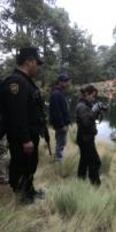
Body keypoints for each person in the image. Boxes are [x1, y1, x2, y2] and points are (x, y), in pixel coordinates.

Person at [0, 47, 46, 203]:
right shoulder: (16, 82)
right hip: (21, 137)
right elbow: (17, 114)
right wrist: (26, 139)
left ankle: (30, 191)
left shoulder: (25, 81)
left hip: (29, 133)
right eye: (36, 63)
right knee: (21, 166)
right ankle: (22, 196)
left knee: (30, 165)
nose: (37, 67)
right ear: (29, 61)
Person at [75, 85, 103, 186]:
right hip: (85, 139)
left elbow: (90, 118)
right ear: (87, 94)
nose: (94, 99)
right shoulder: (82, 106)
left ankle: (80, 182)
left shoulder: (85, 105)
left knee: (84, 161)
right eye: (93, 96)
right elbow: (86, 122)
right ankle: (95, 185)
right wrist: (94, 111)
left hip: (85, 138)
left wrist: (98, 111)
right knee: (95, 162)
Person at [49, 74, 71, 162]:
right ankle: (58, 160)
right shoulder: (56, 94)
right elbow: (56, 112)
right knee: (60, 142)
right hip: (60, 124)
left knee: (61, 141)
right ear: (60, 82)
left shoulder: (59, 93)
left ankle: (58, 158)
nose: (68, 83)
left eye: (68, 81)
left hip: (62, 123)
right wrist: (62, 125)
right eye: (66, 82)